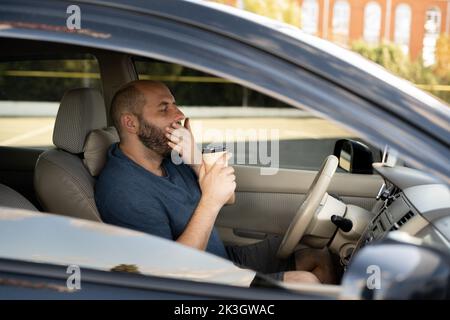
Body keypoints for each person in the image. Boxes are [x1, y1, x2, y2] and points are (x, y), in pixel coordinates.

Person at [95, 80, 337, 284]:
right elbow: (168, 272)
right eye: (164, 108)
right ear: (131, 123)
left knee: (317, 254)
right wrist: (210, 201)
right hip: (200, 283)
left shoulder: (167, 158)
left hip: (220, 259)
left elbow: (228, 195)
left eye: (175, 105)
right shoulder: (123, 190)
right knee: (306, 283)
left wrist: (195, 159)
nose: (179, 115)